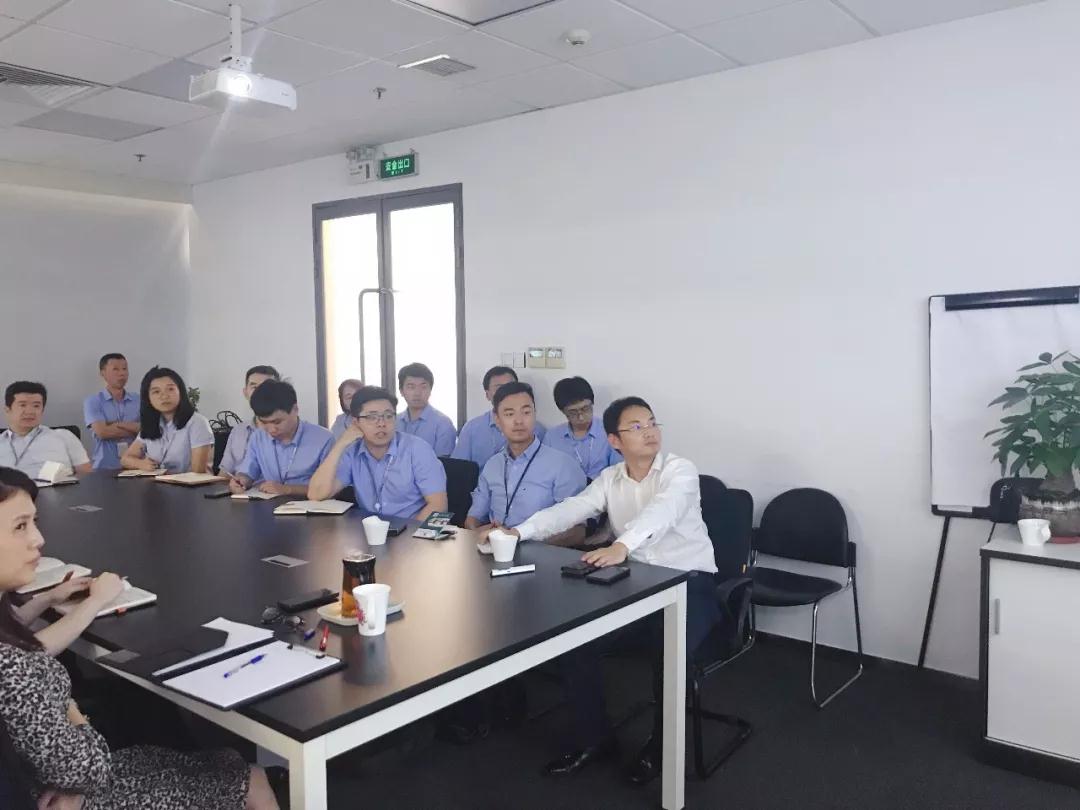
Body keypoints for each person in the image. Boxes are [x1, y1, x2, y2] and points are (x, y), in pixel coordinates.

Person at [0, 467, 279, 809]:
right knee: (249, 776)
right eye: (20, 526)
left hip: (38, 777)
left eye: (34, 522)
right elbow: (89, 770)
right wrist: (68, 706)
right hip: (64, 788)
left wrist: (46, 599)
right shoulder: (15, 669)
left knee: (211, 755)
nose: (38, 539)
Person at [498, 397, 719, 785]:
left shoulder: (679, 470)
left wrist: (622, 545)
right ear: (615, 441)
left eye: (652, 423)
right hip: (638, 583)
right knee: (576, 639)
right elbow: (571, 508)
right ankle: (594, 739)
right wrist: (520, 531)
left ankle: (663, 747)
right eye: (636, 427)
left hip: (690, 583)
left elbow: (663, 511)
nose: (649, 431)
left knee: (670, 652)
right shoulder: (610, 478)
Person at [464, 382, 586, 544]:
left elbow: (578, 531)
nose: (519, 421)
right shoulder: (492, 465)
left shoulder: (563, 465)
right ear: (497, 419)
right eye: (509, 414)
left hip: (541, 551)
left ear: (534, 414)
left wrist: (523, 543)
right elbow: (473, 518)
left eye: (526, 412)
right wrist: (477, 533)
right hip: (494, 549)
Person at [308, 386, 447, 521]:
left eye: (388, 416)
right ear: (356, 422)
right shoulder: (352, 452)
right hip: (370, 531)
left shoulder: (417, 449)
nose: (381, 423)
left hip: (412, 530)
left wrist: (409, 534)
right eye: (372, 417)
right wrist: (340, 444)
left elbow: (439, 506)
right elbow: (316, 494)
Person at [228, 381, 333, 497]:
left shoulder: (324, 439)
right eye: (264, 422)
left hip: (311, 504)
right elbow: (248, 473)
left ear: (295, 409)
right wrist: (241, 481)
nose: (271, 429)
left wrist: (288, 489)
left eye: (277, 422)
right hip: (270, 503)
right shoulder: (258, 437)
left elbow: (331, 487)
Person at [121, 368, 214, 474]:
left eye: (170, 389)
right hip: (156, 483)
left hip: (190, 484)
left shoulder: (197, 423)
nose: (164, 396)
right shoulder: (152, 423)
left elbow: (198, 472)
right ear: (148, 398)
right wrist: (141, 464)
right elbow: (125, 459)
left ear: (181, 392)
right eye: (156, 391)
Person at [452, 366, 545, 467]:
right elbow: (458, 468)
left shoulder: (537, 429)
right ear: (487, 395)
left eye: (510, 386)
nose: (506, 392)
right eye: (499, 388)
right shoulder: (471, 429)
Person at [1, 383, 91, 480]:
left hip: (60, 489)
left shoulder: (64, 436)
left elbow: (86, 475)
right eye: (23, 405)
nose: (30, 411)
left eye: (36, 406)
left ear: (42, 410)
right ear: (7, 410)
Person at [543, 376, 621, 481]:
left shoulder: (609, 430)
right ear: (563, 411)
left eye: (585, 409)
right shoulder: (552, 438)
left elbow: (618, 470)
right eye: (573, 412)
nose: (581, 417)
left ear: (592, 403)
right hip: (565, 490)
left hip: (603, 488)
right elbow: (547, 474)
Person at [218, 365, 281, 478]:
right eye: (254, 387)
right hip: (236, 488)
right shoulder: (238, 431)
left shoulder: (285, 431)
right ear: (245, 392)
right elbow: (225, 473)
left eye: (266, 387)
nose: (260, 393)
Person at [83, 354, 141, 471]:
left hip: (137, 466)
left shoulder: (138, 399)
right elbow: (102, 432)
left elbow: (148, 430)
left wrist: (117, 424)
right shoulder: (93, 401)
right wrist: (135, 429)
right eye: (116, 369)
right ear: (103, 373)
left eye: (124, 369)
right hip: (105, 467)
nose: (122, 373)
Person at [396, 363, 456, 457]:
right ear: (401, 391)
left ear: (430, 390)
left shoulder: (443, 424)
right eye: (411, 387)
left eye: (423, 387)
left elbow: (443, 463)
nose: (417, 393)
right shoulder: (393, 422)